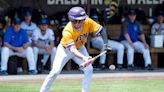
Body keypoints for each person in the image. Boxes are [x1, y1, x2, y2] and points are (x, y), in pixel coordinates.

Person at [40, 6, 108, 92]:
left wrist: (106, 44)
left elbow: (102, 30)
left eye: (82, 19)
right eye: (78, 20)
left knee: (89, 69)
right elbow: (72, 49)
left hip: (80, 48)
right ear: (72, 20)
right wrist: (84, 58)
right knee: (55, 72)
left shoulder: (87, 21)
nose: (80, 22)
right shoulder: (67, 30)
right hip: (65, 50)